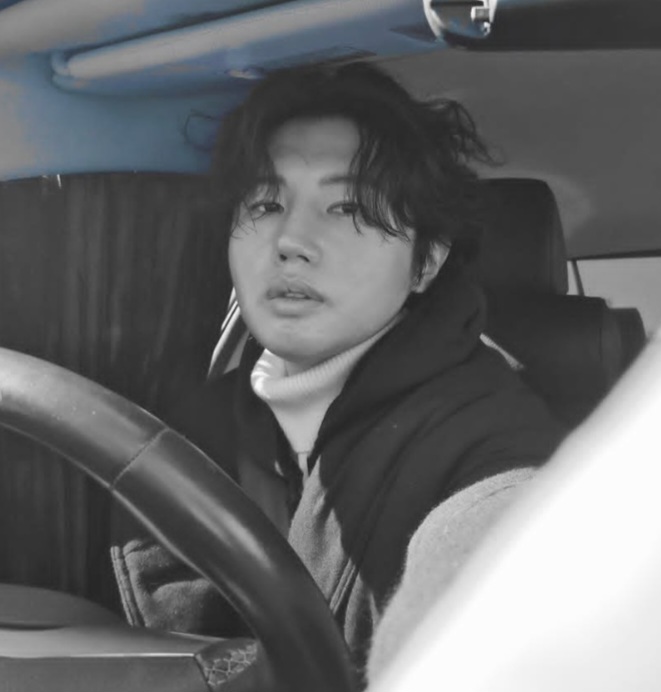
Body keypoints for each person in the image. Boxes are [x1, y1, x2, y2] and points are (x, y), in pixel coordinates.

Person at [110, 61, 564, 686]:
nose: (291, 240)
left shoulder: (492, 448)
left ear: (426, 261)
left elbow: (498, 539)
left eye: (347, 206)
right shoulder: (182, 430)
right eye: (266, 203)